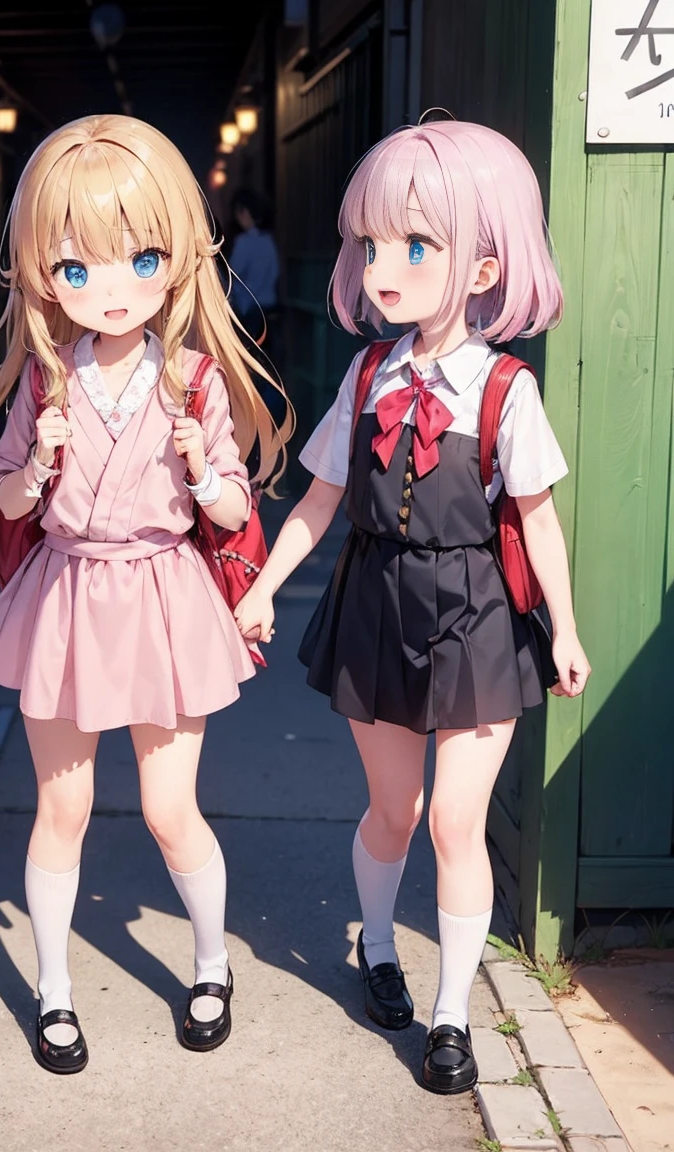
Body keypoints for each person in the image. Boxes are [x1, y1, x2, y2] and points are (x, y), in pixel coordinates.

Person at [233, 120, 591, 1094]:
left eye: (415, 246)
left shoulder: (507, 390)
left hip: (477, 612)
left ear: (483, 264)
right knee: (395, 810)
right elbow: (316, 502)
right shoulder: (364, 377)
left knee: (454, 825)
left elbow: (538, 520)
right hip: (377, 603)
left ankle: (450, 1015)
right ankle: (380, 947)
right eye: (372, 244)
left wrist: (563, 626)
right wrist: (262, 590)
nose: (384, 268)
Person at [0, 114, 291, 1074]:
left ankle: (210, 963)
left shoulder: (191, 378)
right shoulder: (42, 375)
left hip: (162, 596)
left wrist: (202, 471)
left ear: (179, 257)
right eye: (78, 268)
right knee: (58, 810)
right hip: (68, 595)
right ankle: (54, 994)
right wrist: (40, 464)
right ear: (42, 272)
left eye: (141, 259)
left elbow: (231, 508)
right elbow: (8, 494)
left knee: (167, 808)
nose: (112, 289)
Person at [228, 188, 280, 343]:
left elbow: (233, 273)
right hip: (270, 304)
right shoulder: (269, 240)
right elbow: (276, 271)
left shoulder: (243, 242)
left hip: (249, 309)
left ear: (244, 212)